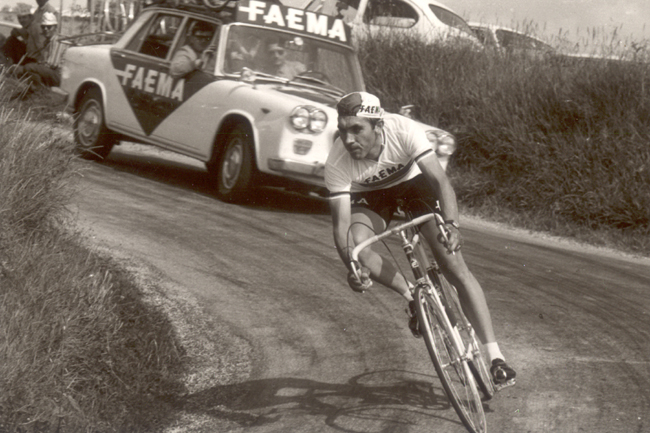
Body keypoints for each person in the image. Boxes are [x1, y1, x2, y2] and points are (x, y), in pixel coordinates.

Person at [324, 92, 517, 387]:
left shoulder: (403, 129)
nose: (348, 139)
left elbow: (440, 181)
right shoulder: (338, 160)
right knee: (359, 246)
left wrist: (452, 225)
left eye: (357, 129)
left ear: (378, 127)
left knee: (452, 264)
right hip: (372, 196)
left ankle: (495, 358)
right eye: (343, 129)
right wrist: (352, 268)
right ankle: (413, 296)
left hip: (415, 186)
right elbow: (341, 229)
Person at [9, 12, 61, 96]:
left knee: (29, 67)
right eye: (43, 27)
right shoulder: (47, 41)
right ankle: (38, 91)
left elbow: (52, 64)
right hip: (49, 71)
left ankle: (38, 90)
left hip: (58, 75)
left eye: (49, 27)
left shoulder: (56, 41)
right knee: (29, 70)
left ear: (55, 27)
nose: (46, 29)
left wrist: (33, 66)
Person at [23, 0, 58, 64]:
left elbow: (46, 35)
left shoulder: (50, 11)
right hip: (32, 52)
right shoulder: (38, 11)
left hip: (40, 56)